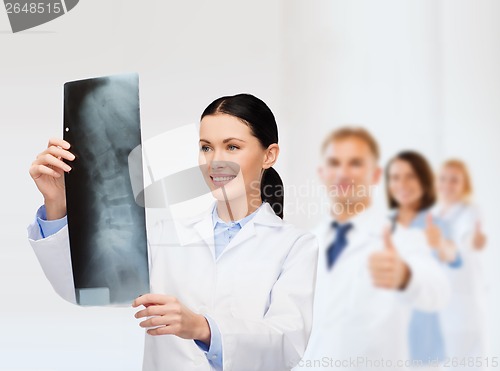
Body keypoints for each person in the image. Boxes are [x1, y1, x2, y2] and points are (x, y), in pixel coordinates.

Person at [27, 93, 319, 371]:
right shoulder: (165, 235)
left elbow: (288, 342)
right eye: (206, 147)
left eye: (232, 147)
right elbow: (84, 287)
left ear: (269, 155)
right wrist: (56, 204)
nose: (215, 161)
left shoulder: (295, 246)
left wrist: (202, 328)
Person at [295, 127, 450, 371]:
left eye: (355, 163)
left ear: (376, 174)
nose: (343, 173)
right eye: (334, 163)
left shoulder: (401, 237)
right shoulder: (305, 243)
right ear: (322, 173)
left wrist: (405, 277)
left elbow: (438, 291)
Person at [385, 151, 461, 370]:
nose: (402, 184)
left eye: (411, 176)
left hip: (423, 342)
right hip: (385, 338)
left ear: (424, 180)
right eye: (396, 177)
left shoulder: (435, 224)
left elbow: (454, 257)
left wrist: (441, 246)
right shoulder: (382, 225)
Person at [434, 159, 488, 370]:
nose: (447, 184)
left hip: (464, 308)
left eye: (454, 180)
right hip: (442, 307)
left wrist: (473, 240)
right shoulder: (435, 215)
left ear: (465, 184)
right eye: (443, 179)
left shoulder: (471, 212)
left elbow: (469, 237)